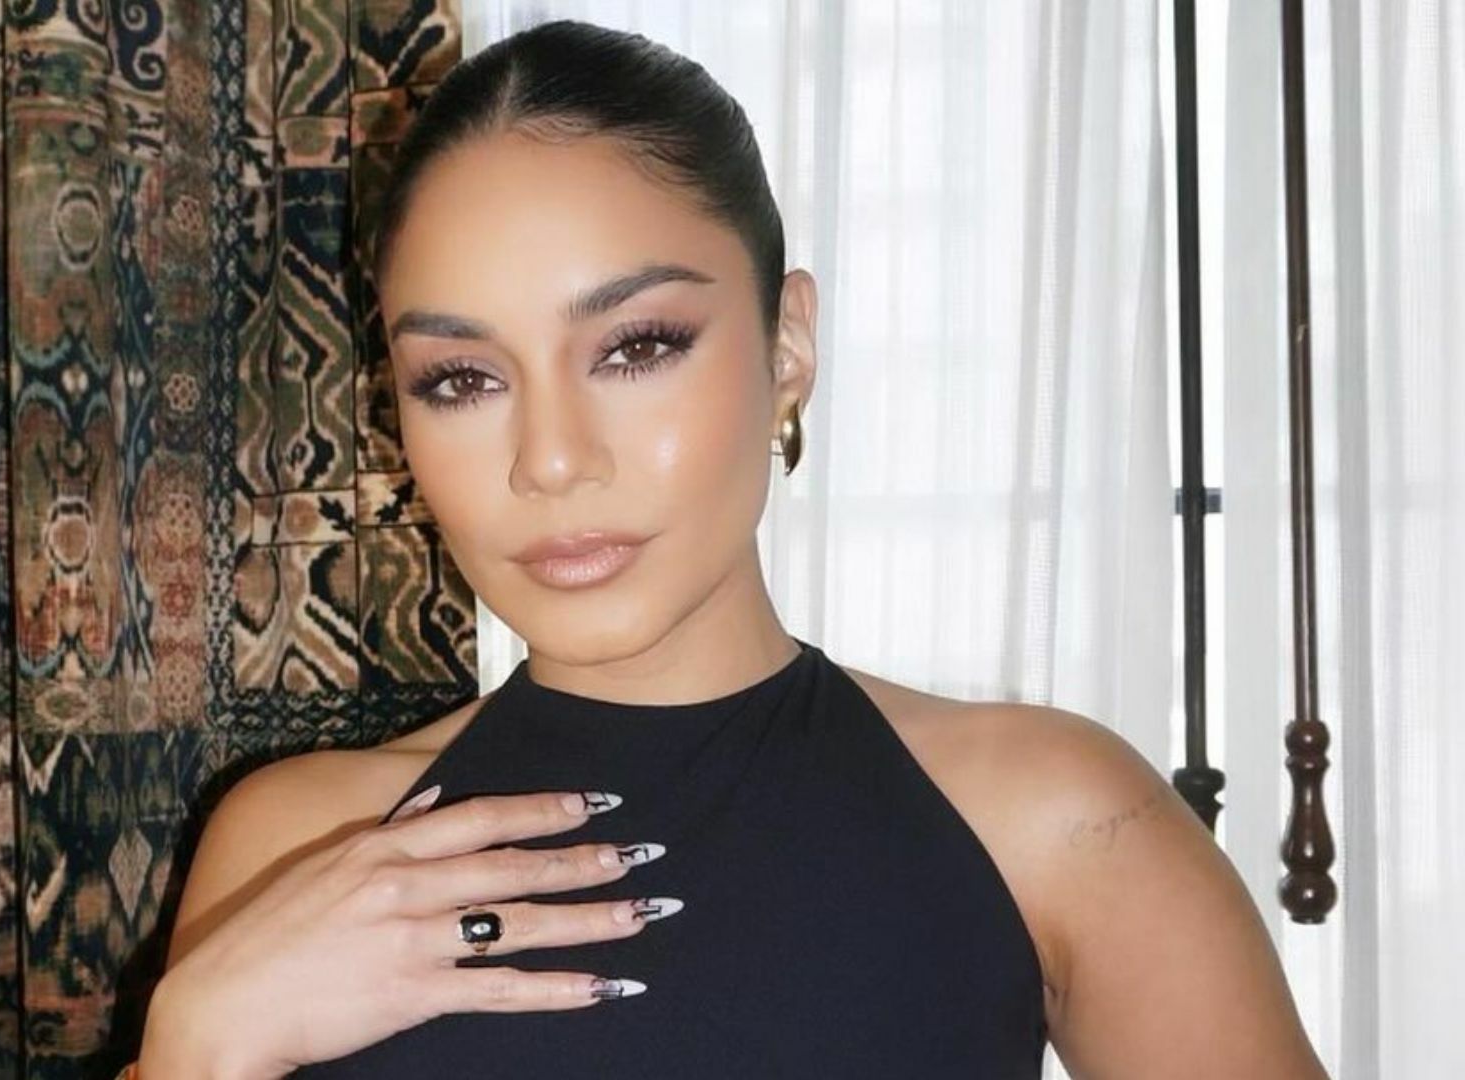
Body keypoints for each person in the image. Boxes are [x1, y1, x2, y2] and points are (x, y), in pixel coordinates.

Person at [132, 18, 1327, 1079]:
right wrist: (197, 1045)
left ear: (787, 346)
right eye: (461, 379)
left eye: (636, 347)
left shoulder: (1056, 820)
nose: (552, 460)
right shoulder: (295, 846)